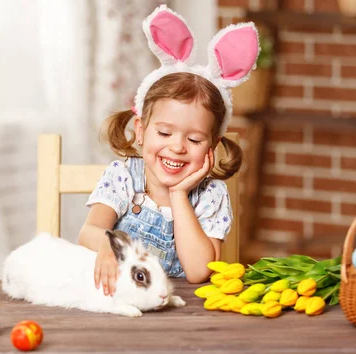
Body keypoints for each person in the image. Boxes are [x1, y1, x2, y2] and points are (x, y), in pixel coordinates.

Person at [78, 5, 260, 295]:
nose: (177, 147)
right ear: (140, 130)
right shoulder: (123, 177)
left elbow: (199, 271)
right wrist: (112, 245)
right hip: (120, 296)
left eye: (195, 140)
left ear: (212, 147)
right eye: (164, 132)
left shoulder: (210, 195)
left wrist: (178, 195)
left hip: (179, 307)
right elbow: (89, 231)